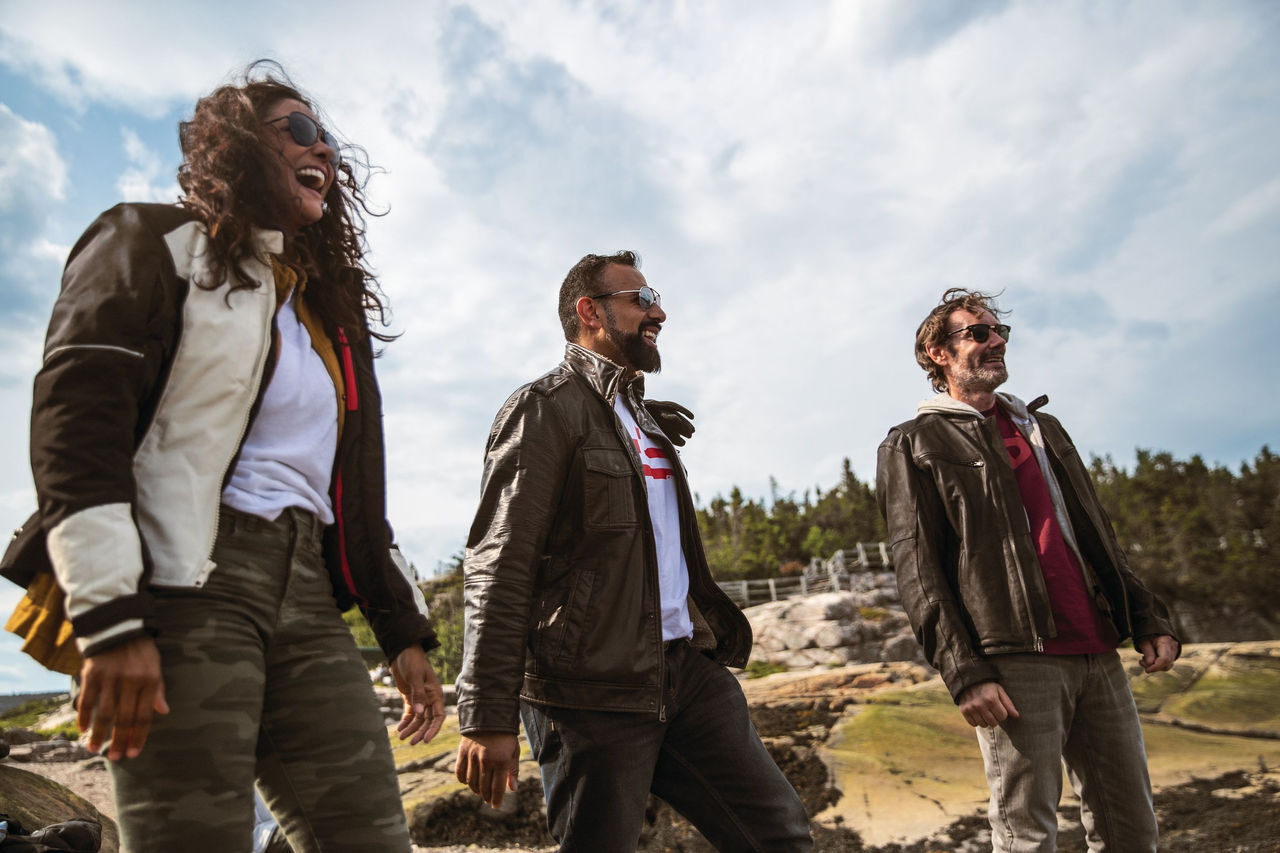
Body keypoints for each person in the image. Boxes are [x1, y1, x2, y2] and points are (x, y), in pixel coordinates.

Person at [2, 62, 444, 852]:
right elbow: (78, 424)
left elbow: (353, 495)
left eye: (331, 142)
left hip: (308, 596)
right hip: (185, 583)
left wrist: (401, 627)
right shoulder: (150, 241)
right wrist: (110, 615)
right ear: (238, 145)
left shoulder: (327, 319)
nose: (325, 154)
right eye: (300, 131)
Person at [453, 252, 812, 851]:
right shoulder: (543, 408)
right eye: (640, 300)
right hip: (588, 691)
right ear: (589, 312)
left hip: (686, 673)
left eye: (655, 298)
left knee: (780, 836)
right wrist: (487, 713)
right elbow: (500, 562)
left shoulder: (639, 418)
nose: (659, 311)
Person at [875, 287, 1180, 852]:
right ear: (937, 353)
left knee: (1131, 828)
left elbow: (1095, 532)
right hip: (1015, 661)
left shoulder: (1045, 429)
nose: (996, 342)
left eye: (1001, 332)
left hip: (1097, 651)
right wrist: (965, 672)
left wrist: (1147, 615)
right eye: (979, 332)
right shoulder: (913, 443)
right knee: (1027, 834)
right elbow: (917, 568)